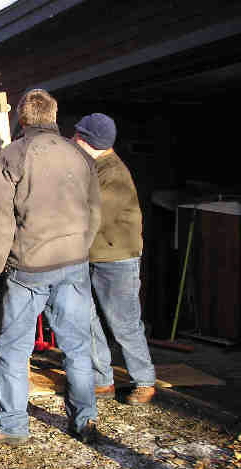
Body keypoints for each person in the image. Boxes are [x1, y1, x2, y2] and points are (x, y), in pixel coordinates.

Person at [0, 88, 101, 445]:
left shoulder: (12, 155)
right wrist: (81, 246)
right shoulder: (80, 155)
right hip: (74, 262)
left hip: (29, 269)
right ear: (54, 115)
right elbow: (94, 211)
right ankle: (85, 420)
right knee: (77, 347)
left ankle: (12, 426)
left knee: (12, 349)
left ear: (21, 117)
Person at [73, 113, 156, 405]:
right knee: (86, 317)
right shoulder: (95, 166)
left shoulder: (113, 174)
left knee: (124, 323)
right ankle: (102, 379)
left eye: (78, 136)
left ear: (88, 141)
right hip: (92, 254)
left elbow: (93, 215)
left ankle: (144, 381)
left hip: (116, 257)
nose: (73, 139)